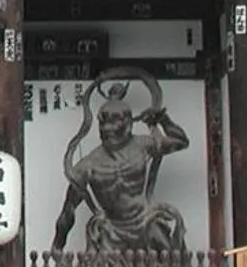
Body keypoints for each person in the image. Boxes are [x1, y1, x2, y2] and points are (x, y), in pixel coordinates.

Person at [50, 81, 189, 253]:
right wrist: (57, 246)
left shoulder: (142, 145)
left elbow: (181, 141)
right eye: (104, 125)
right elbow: (68, 211)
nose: (109, 129)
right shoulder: (88, 166)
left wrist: (162, 119)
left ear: (129, 124)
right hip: (111, 228)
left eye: (116, 124)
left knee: (172, 259)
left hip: (145, 220)